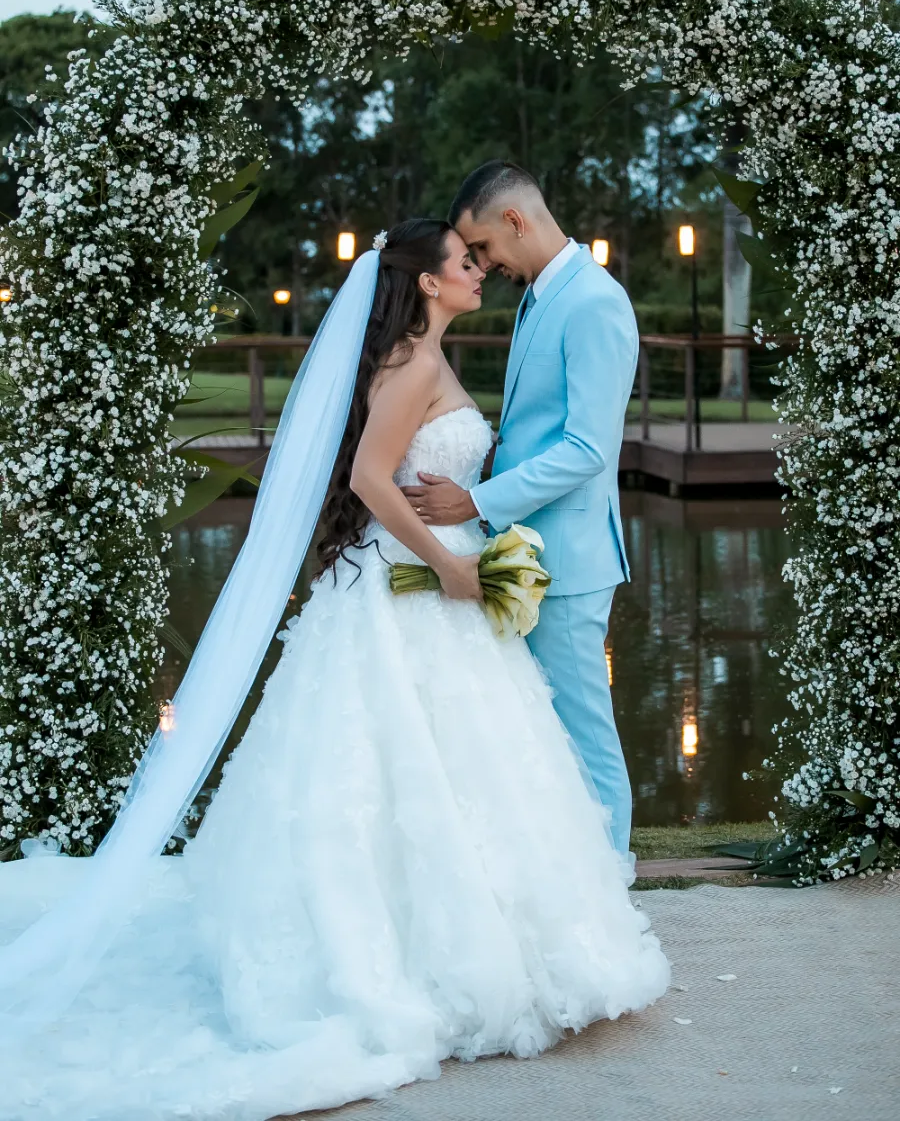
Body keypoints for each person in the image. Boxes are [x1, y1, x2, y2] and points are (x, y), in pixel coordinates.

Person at [0, 218, 668, 1121]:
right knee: (391, 769)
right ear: (428, 283)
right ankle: (407, 954)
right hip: (414, 594)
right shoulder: (410, 365)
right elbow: (368, 476)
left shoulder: (431, 357)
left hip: (444, 593)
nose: (479, 270)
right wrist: (448, 562)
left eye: (479, 257)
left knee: (476, 769)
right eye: (464, 263)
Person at [404, 161, 637, 854]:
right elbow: (540, 428)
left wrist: (476, 498)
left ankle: (612, 889)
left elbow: (587, 448)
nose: (484, 265)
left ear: (515, 220)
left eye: (483, 250)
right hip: (524, 548)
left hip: (567, 558)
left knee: (583, 733)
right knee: (539, 733)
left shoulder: (594, 301)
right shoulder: (542, 296)